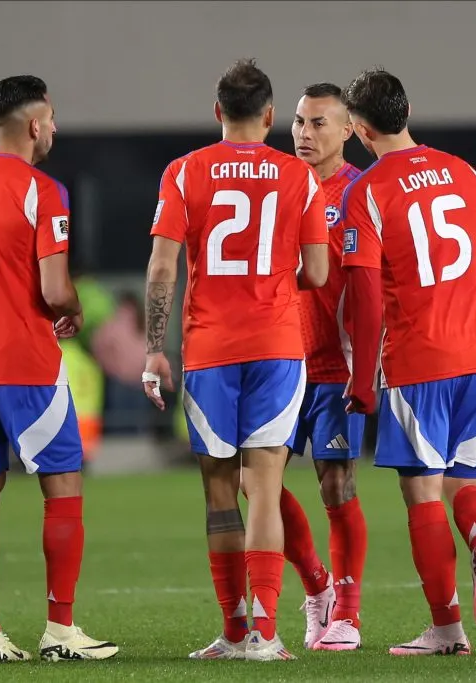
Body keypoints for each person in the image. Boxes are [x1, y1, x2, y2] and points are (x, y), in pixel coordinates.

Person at [0, 74, 118, 664]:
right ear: (34, 124)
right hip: (27, 362)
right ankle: (60, 631)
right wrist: (76, 310)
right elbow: (55, 288)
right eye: (52, 118)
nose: (55, 127)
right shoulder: (43, 190)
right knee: (62, 487)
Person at [142, 58, 330, 661]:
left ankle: (231, 629)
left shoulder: (183, 172)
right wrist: (276, 280)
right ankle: (267, 634)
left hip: (209, 349)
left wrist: (154, 349)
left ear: (218, 111)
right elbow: (320, 273)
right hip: (276, 346)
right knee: (267, 490)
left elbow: (163, 268)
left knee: (220, 494)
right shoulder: (299, 178)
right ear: (272, 117)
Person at [339, 68, 476, 656]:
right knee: (468, 482)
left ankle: (447, 629)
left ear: (359, 129)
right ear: (405, 111)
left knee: (423, 496)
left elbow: (362, 297)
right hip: (475, 353)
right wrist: (472, 331)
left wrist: (361, 382)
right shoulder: (467, 174)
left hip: (416, 361)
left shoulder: (368, 190)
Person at [265, 82, 368, 652]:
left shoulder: (359, 192)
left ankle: (346, 614)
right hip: (278, 359)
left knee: (336, 485)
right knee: (259, 484)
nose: (305, 133)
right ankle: (317, 587)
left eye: (319, 123)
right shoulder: (279, 185)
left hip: (336, 365)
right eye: (300, 122)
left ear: (348, 130)